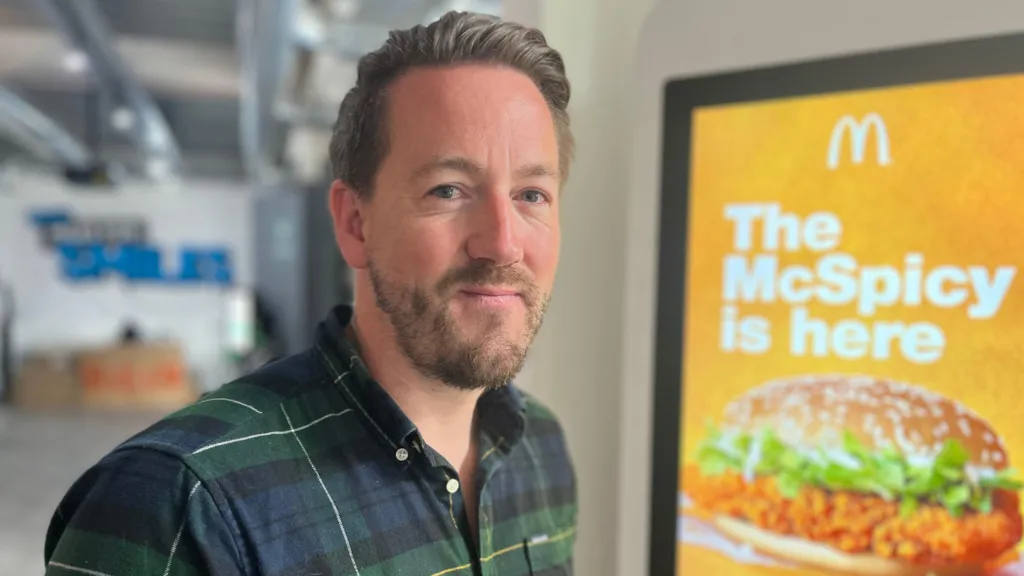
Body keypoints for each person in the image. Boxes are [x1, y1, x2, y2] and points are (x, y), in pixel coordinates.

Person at [43, 10, 576, 576]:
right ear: (354, 223)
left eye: (531, 194)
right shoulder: (177, 505)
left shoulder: (540, 449)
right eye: (448, 189)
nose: (501, 243)